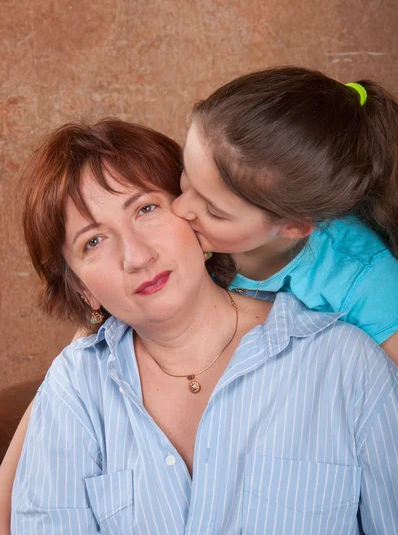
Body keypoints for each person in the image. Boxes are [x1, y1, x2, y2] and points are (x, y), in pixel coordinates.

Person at [6, 119, 398, 534]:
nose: (136, 256)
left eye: (146, 209)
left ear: (196, 217)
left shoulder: (345, 362)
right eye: (94, 241)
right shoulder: (75, 388)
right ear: (84, 290)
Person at [171, 66, 398, 363]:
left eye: (213, 212)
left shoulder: (364, 279)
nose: (178, 208)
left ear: (293, 226)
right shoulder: (187, 198)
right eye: (186, 171)